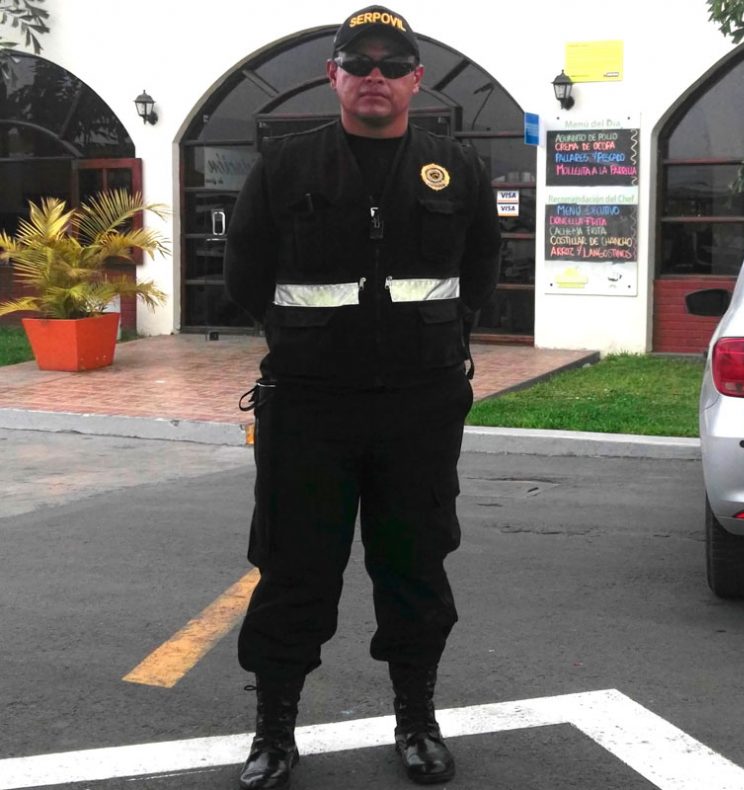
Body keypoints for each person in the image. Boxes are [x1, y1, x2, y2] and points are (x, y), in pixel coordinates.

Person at [223, 5, 501, 788]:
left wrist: (435, 340)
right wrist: (307, 339)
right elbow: (245, 276)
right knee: (293, 569)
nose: (375, 75)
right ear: (333, 75)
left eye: (392, 63)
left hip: (421, 406)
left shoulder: (457, 168)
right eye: (359, 62)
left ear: (416, 79)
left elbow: (481, 269)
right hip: (308, 405)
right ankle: (274, 733)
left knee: (415, 568)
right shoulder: (285, 166)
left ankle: (416, 721)